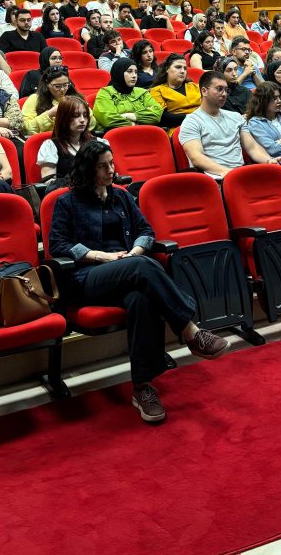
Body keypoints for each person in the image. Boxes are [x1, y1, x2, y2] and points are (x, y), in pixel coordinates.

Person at [49, 140, 229, 423]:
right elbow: (57, 246)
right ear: (86, 169)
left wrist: (134, 252)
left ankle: (142, 387)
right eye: (102, 166)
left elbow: (145, 229)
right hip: (87, 279)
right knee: (141, 268)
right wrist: (101, 257)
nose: (111, 170)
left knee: (141, 298)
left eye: (111, 163)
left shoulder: (120, 196)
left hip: (128, 270)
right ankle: (191, 332)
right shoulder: (66, 202)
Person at [179, 71, 281, 177]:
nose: (224, 94)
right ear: (204, 91)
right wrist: (228, 173)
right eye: (219, 89)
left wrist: (269, 160)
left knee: (280, 175)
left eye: (226, 90)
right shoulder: (191, 121)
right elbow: (196, 157)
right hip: (215, 178)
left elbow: (252, 147)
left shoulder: (235, 117)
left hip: (240, 173)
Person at [22, 65, 95, 136]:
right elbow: (26, 129)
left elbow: (92, 124)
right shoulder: (34, 99)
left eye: (66, 85)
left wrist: (83, 113)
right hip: (46, 141)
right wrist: (49, 114)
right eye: (57, 86)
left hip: (74, 139)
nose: (63, 89)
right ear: (47, 84)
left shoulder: (76, 98)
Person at [37, 95, 94, 185]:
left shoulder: (97, 143)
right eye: (76, 115)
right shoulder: (51, 146)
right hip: (68, 195)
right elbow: (50, 184)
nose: (82, 120)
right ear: (64, 118)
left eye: (85, 115)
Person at [93, 59, 163, 130]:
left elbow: (157, 114)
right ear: (119, 72)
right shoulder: (105, 92)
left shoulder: (142, 92)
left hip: (145, 134)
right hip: (117, 136)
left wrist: (129, 115)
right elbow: (108, 119)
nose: (134, 76)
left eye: (136, 72)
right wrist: (134, 124)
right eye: (129, 71)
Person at [149, 54, 201, 135]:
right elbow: (163, 117)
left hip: (204, 125)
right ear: (167, 69)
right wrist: (194, 118)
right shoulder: (157, 90)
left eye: (185, 68)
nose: (183, 71)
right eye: (178, 67)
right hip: (179, 129)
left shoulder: (195, 86)